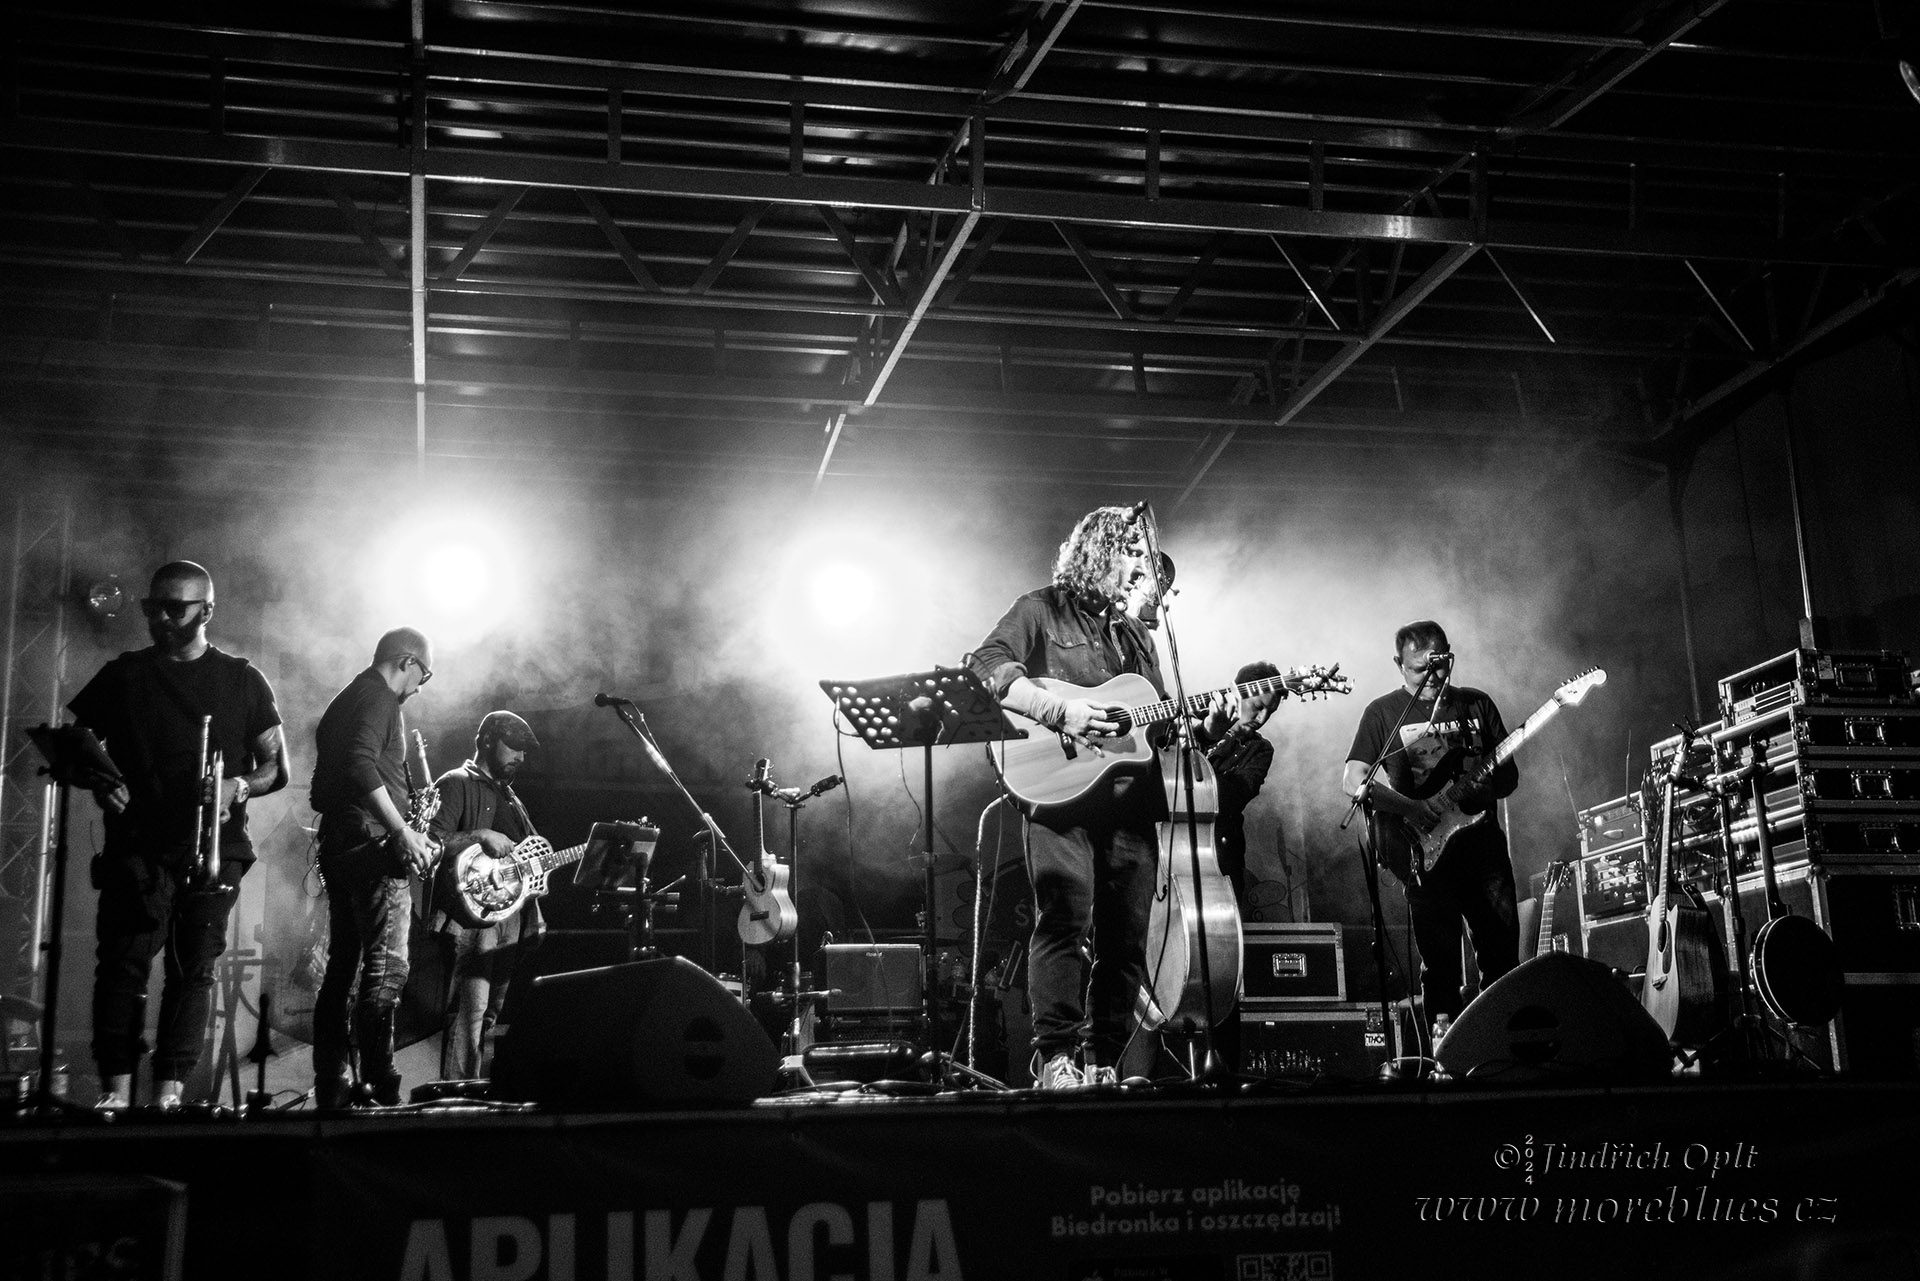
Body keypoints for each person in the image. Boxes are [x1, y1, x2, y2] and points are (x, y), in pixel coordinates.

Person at [68, 561, 289, 1110]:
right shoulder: (124, 674)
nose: (161, 618)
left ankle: (167, 1094)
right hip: (137, 845)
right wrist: (100, 781)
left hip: (214, 848)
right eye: (153, 607)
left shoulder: (241, 678)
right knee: (121, 964)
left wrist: (237, 786)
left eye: (176, 608)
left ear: (206, 611)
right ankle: (114, 1093)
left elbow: (275, 768)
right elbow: (77, 744)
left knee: (193, 972)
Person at [970, 505, 1165, 1089]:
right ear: (1101, 551)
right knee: (1064, 918)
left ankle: (1104, 1059)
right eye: (1133, 557)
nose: (1141, 573)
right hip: (1058, 796)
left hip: (1130, 803)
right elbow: (985, 666)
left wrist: (1219, 721)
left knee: (1126, 938)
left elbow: (1154, 724)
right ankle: (1055, 1056)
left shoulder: (1135, 634)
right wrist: (1062, 709)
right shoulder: (1040, 609)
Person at [1341, 621, 1519, 1042]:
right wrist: (1411, 808)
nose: (1434, 677)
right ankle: (1446, 1056)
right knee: (1439, 965)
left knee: (1500, 955)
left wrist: (1485, 783)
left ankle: (1501, 1045)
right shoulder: (1384, 713)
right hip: (1425, 855)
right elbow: (1353, 780)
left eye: (1441, 665)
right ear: (1398, 665)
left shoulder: (1476, 704)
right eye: (1421, 669)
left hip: (1483, 851)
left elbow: (1509, 778)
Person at [308, 627, 439, 1107]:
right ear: (407, 662)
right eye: (425, 674)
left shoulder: (348, 698)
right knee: (386, 968)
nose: (422, 686)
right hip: (373, 846)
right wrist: (402, 831)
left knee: (343, 967)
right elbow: (362, 764)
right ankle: (379, 1087)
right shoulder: (379, 697)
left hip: (341, 846)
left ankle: (333, 1083)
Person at [427, 710, 545, 1080]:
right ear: (487, 741)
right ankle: (455, 1100)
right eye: (515, 747)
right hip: (472, 921)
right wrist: (478, 835)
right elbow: (430, 843)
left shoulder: (512, 799)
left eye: (526, 751)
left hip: (508, 919)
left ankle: (476, 1091)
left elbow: (529, 859)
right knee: (469, 1013)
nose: (521, 758)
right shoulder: (456, 783)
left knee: (490, 1017)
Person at [1202, 659, 1283, 911]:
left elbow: (1231, 797)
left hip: (1221, 857)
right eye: (1258, 706)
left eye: (1270, 711)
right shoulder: (1195, 727)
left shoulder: (1260, 749)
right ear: (1236, 693)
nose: (1262, 718)